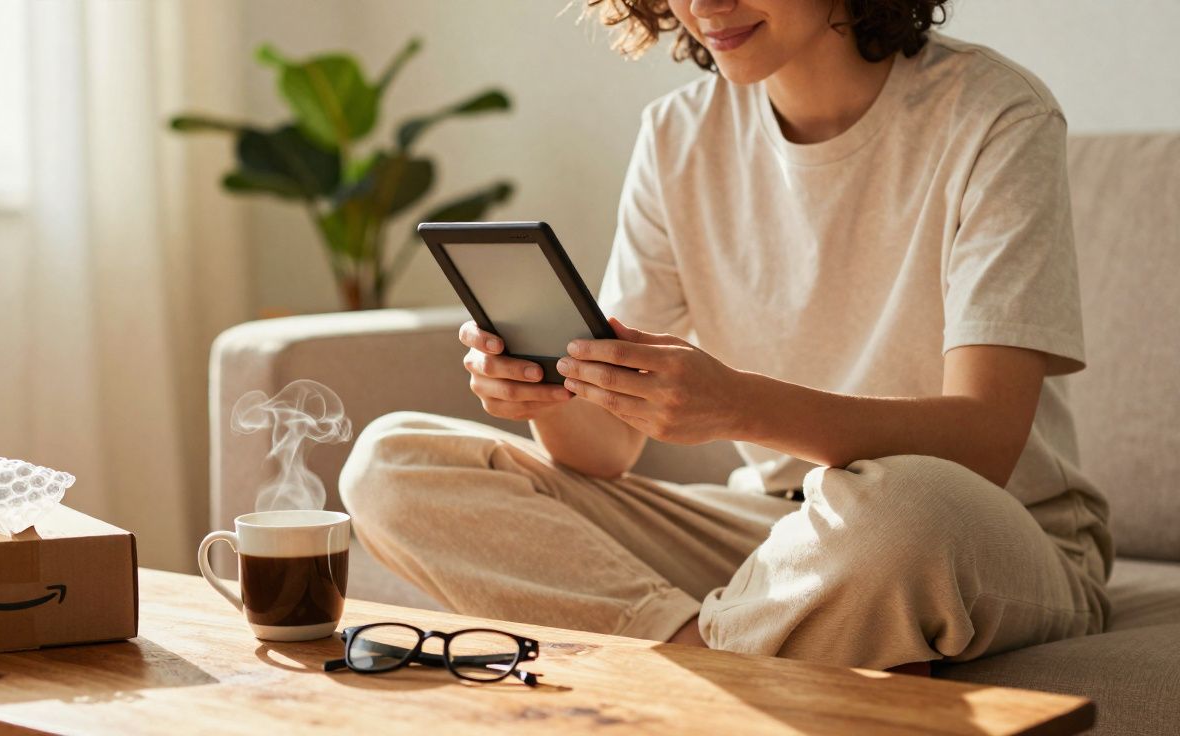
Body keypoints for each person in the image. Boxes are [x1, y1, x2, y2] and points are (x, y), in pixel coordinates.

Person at [339, 0, 1112, 672]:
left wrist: (738, 406)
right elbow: (601, 452)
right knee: (392, 463)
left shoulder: (995, 114)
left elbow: (986, 442)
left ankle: (717, 662)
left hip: (977, 529)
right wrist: (542, 390)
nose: (704, 3)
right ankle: (700, 657)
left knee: (899, 512)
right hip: (783, 534)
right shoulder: (677, 134)